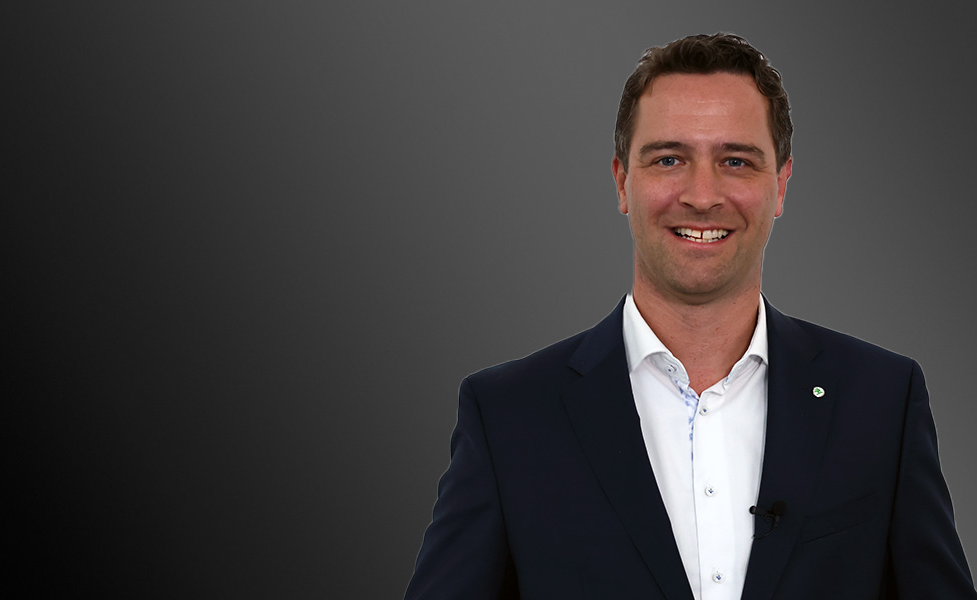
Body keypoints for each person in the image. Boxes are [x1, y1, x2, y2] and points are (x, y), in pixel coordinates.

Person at [405, 33, 976, 599]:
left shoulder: (882, 400)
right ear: (622, 181)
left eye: (736, 161)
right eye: (669, 159)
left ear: (781, 185)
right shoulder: (508, 416)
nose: (702, 196)